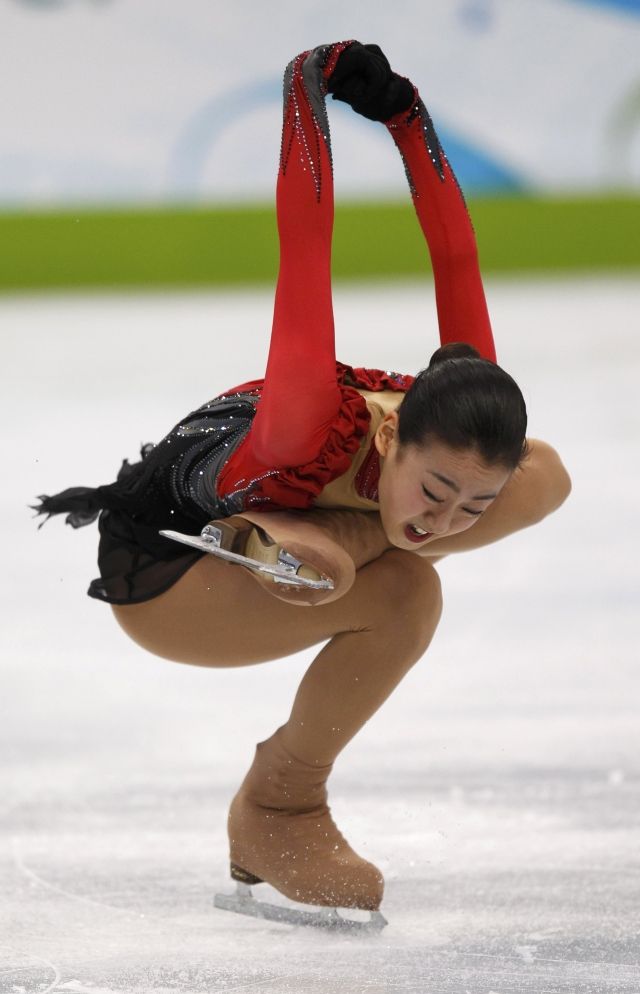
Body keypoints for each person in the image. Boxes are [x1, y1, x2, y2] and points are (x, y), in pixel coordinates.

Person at [34, 41, 571, 918]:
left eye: (467, 506)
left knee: (541, 476)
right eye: (433, 492)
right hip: (168, 570)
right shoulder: (303, 426)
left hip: (305, 528)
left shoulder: (456, 394)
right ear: (393, 438)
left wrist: (408, 119)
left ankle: (338, 545)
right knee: (403, 593)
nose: (448, 518)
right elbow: (305, 250)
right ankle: (279, 805)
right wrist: (304, 94)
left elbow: (456, 258)